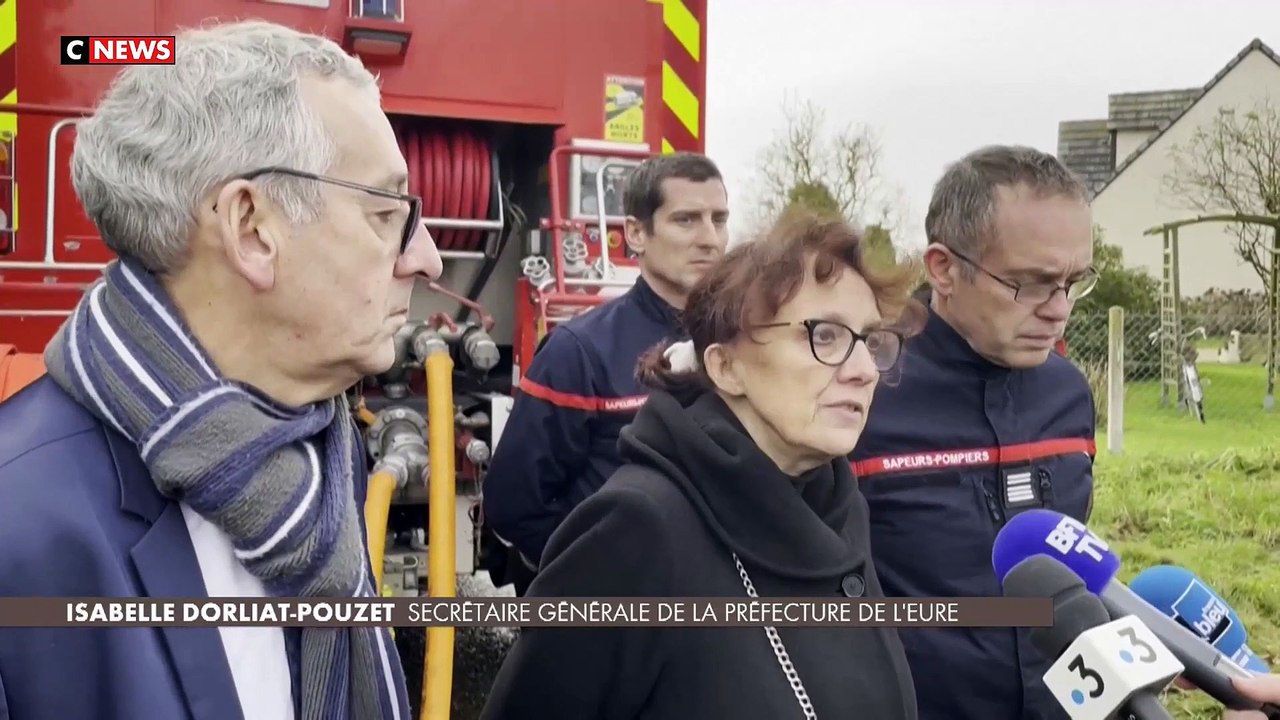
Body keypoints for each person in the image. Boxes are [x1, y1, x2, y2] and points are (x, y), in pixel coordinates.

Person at [0, 19, 442, 720]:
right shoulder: (18, 528)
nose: (426, 259)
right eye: (389, 211)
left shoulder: (320, 452)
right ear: (250, 229)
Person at [479, 206, 927, 720]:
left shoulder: (836, 502)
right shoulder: (638, 529)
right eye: (824, 335)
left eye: (870, 341)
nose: (865, 370)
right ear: (726, 366)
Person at [850, 145, 1099, 720]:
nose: (1059, 310)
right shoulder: (860, 389)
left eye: (1073, 282)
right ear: (943, 267)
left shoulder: (1069, 395)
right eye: (1030, 283)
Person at [481, 152, 730, 589]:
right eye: (687, 220)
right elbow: (514, 503)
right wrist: (593, 579)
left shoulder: (742, 345)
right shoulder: (579, 351)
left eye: (719, 219)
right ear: (636, 232)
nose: (709, 239)